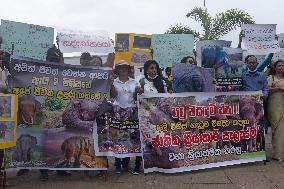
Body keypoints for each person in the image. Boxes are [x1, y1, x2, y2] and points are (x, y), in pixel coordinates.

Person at [110, 60, 141, 175]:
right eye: (121, 67)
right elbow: (112, 96)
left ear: (129, 69)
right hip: (117, 113)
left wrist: (138, 91)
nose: (123, 69)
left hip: (132, 113)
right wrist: (111, 84)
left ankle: (132, 165)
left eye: (125, 67)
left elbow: (136, 96)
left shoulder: (135, 81)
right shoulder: (114, 82)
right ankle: (118, 165)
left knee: (132, 138)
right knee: (118, 138)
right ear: (117, 70)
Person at [267, 60, 284, 161]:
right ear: (275, 67)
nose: (281, 68)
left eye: (282, 66)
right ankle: (278, 154)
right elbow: (267, 89)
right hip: (273, 106)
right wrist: (279, 89)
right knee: (276, 129)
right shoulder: (271, 78)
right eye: (279, 66)